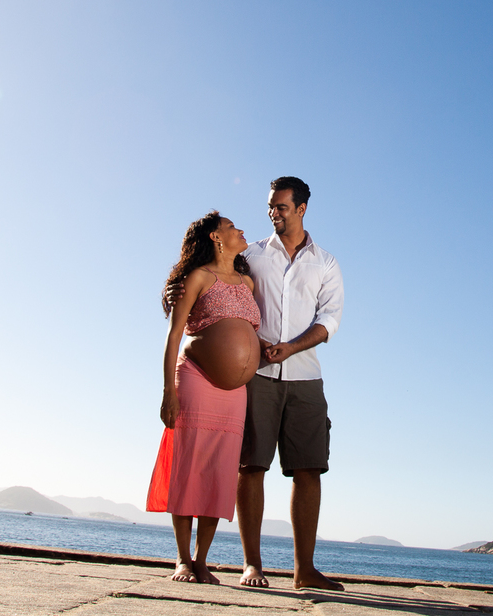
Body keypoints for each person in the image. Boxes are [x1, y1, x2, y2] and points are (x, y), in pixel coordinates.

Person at [237, 176, 344, 591]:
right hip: (256, 376)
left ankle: (305, 570)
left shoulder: (327, 263)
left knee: (309, 468)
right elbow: (229, 296)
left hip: (306, 379)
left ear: (301, 208)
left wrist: (291, 347)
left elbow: (329, 321)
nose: (273, 213)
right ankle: (252, 565)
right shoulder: (251, 255)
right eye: (270, 206)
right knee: (251, 466)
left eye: (281, 206)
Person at [146, 211, 261, 584]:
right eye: (232, 227)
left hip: (235, 393)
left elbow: (243, 330)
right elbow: (174, 334)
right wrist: (168, 391)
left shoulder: (248, 281)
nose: (241, 230)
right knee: (190, 467)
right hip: (195, 379)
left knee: (219, 472)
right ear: (215, 237)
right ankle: (181, 559)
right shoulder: (197, 278)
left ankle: (202, 560)